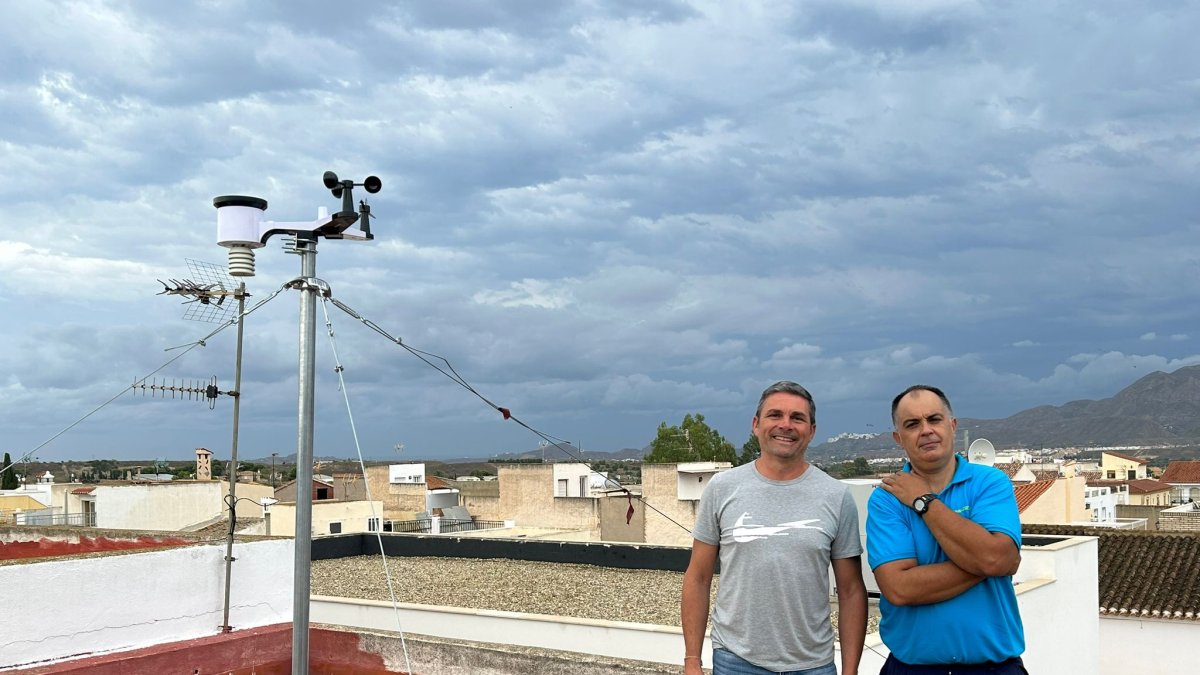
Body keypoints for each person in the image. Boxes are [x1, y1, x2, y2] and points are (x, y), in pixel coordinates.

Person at [682, 381, 867, 675]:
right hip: (735, 662)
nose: (786, 425)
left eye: (797, 418)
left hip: (813, 665)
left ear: (812, 430)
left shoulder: (837, 496)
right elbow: (698, 577)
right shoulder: (721, 488)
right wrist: (692, 660)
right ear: (756, 425)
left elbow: (851, 590)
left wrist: (850, 670)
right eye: (775, 415)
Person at [866, 385, 1026, 674]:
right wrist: (984, 561)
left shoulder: (990, 482)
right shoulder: (886, 498)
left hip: (994, 668)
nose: (925, 430)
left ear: (952, 426)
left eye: (934, 419)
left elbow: (999, 558)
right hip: (912, 669)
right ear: (898, 438)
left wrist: (923, 501)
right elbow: (899, 589)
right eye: (912, 424)